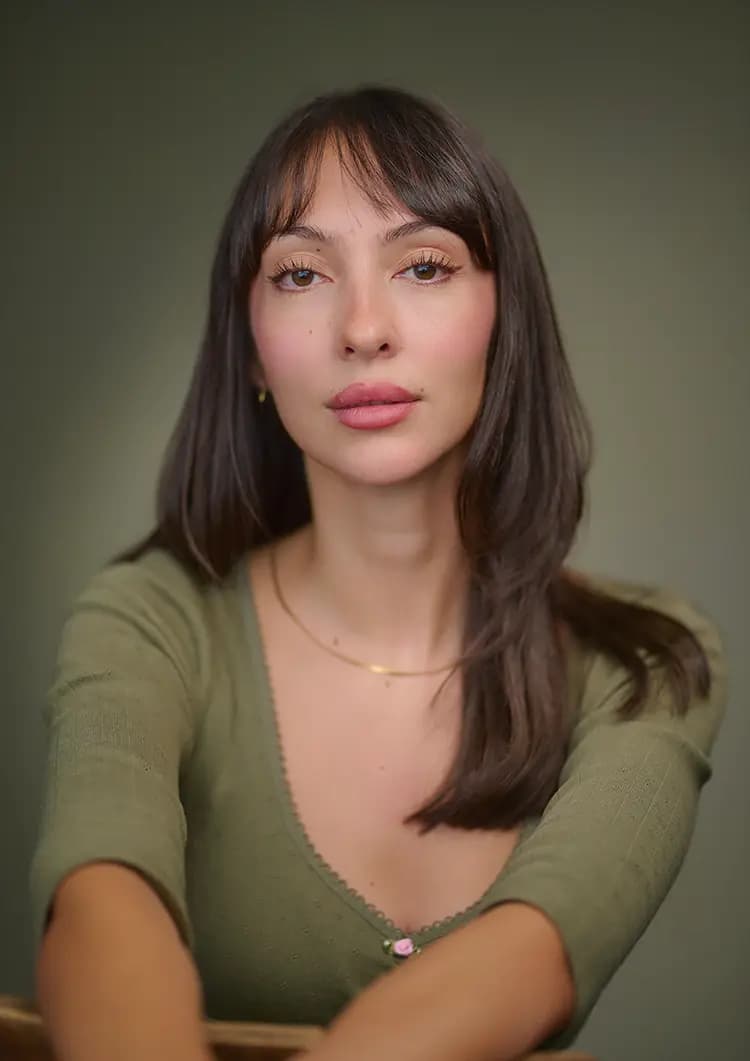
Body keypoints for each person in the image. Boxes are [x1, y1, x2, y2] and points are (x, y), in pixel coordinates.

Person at [29, 84, 727, 1061]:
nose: (363, 328)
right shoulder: (150, 621)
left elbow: (538, 952)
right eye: (302, 275)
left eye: (425, 265)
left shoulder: (647, 660)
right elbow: (99, 906)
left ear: (503, 318)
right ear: (253, 352)